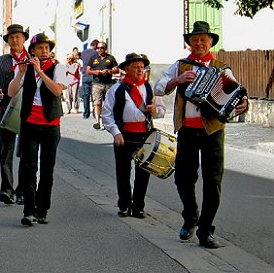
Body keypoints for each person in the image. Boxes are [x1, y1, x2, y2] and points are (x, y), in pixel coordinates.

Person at [154, 21, 248, 249]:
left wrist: (243, 104)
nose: (199, 43)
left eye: (203, 40)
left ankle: (206, 230)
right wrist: (176, 81)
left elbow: (234, 96)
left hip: (213, 130)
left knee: (212, 181)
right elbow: (158, 87)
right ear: (189, 43)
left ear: (210, 43)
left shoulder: (222, 68)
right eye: (195, 40)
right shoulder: (181, 65)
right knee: (183, 178)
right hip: (186, 128)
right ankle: (191, 216)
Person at [8, 33, 69, 226]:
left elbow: (58, 90)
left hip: (51, 125)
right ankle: (29, 210)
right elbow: (11, 92)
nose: (44, 51)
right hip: (30, 124)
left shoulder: (58, 68)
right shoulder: (26, 68)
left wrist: (41, 72)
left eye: (47, 48)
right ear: (32, 50)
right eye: (40, 48)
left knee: (47, 170)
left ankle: (43, 209)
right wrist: (21, 72)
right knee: (29, 167)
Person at [102, 53, 166, 218]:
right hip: (124, 135)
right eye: (136, 67)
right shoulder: (117, 89)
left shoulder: (150, 87)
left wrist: (155, 110)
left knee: (143, 173)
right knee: (123, 173)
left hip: (145, 135)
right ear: (127, 69)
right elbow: (106, 115)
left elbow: (161, 111)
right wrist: (115, 133)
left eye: (141, 67)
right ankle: (124, 205)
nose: (140, 70)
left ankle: (138, 207)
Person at [0, 23, 29, 205]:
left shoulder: (32, 59)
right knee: (5, 152)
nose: (15, 40)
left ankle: (22, 190)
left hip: (28, 113)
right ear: (8, 41)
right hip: (5, 110)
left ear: (24, 39)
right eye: (12, 37)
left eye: (18, 37)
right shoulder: (1, 60)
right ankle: (7, 189)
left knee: (26, 153)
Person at [87, 41, 119, 129]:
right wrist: (95, 72)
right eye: (98, 48)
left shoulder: (111, 58)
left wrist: (109, 71)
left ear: (105, 49)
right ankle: (97, 121)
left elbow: (116, 70)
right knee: (97, 102)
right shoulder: (93, 58)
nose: (100, 50)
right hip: (97, 83)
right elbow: (87, 70)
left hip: (108, 84)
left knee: (108, 103)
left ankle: (107, 120)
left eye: (102, 48)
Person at [80, 39, 99, 119]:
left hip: (85, 75)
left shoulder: (83, 52)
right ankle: (95, 113)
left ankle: (86, 113)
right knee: (94, 96)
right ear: (95, 46)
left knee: (86, 96)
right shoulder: (96, 53)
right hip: (93, 75)